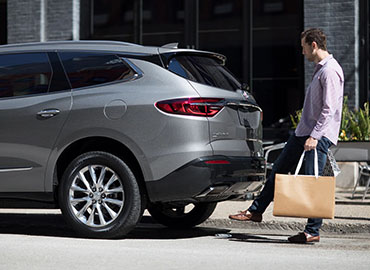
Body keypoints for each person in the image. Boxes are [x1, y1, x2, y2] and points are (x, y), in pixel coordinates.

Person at [229, 28, 344, 243]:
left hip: (316, 136)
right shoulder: (320, 69)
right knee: (279, 171)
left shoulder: (329, 71)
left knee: (313, 181)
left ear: (313, 45)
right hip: (303, 133)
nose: (302, 52)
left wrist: (315, 136)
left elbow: (329, 109)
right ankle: (256, 211)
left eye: (303, 48)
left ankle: (312, 231)